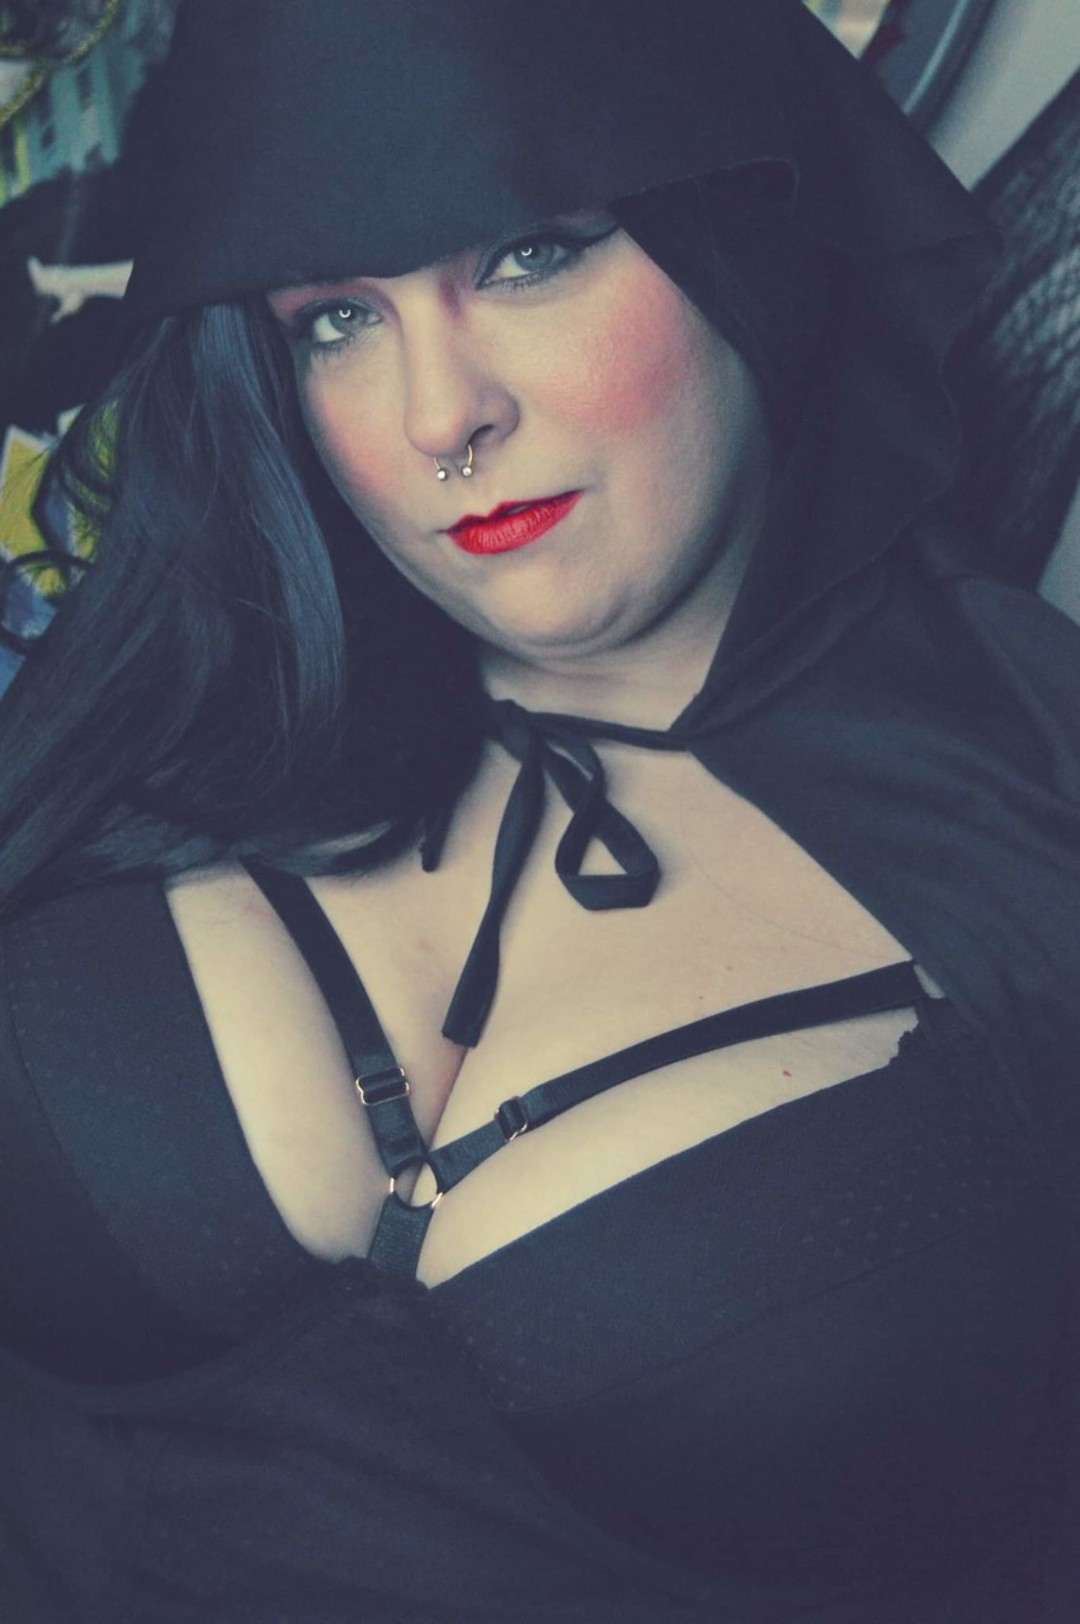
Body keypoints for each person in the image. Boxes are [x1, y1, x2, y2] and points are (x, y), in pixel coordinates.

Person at [1, 1, 1078, 1619]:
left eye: (528, 255)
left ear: (733, 232)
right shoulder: (188, 677)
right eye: (336, 318)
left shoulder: (1032, 813)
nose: (441, 418)